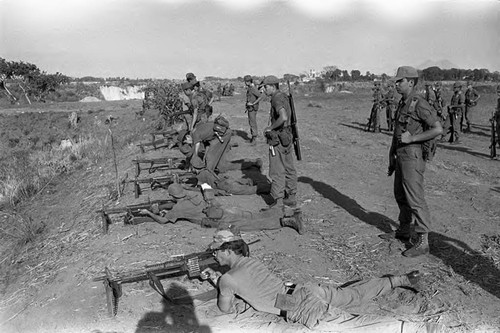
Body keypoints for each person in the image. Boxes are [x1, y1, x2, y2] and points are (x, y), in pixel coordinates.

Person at [200, 230, 446, 332]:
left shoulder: (227, 279)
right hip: (303, 289)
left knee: (353, 326)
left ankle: (415, 328)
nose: (213, 255)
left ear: (228, 251)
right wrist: (220, 279)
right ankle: (402, 278)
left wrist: (218, 282)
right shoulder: (251, 262)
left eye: (215, 251)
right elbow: (254, 285)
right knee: (351, 296)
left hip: (296, 305)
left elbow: (225, 309)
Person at [383, 66, 443, 258]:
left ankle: (423, 241)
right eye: (397, 81)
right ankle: (403, 230)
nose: (397, 84)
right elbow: (397, 132)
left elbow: (437, 129)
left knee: (414, 198)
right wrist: (392, 155)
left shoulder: (419, 103)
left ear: (411, 81)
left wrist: (413, 139)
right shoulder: (403, 103)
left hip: (412, 155)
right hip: (401, 155)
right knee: (400, 194)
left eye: (400, 81)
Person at [136, 184, 303, 234]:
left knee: (253, 225)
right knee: (254, 215)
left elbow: (164, 221)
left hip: (218, 220)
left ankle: (286, 221)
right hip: (224, 210)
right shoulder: (191, 193)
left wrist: (149, 213)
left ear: (173, 197)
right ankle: (288, 210)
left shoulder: (179, 208)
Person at [261, 75, 298, 208]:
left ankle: (277, 200)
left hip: (278, 138)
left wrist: (270, 127)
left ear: (272, 86)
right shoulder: (283, 96)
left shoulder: (276, 98)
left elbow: (283, 117)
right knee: (289, 167)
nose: (264, 90)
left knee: (276, 169)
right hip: (287, 136)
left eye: (265, 87)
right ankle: (291, 196)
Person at [178, 119, 262, 173]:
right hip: (221, 136)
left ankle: (207, 177)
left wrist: (192, 164)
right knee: (222, 167)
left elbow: (195, 153)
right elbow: (207, 145)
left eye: (186, 142)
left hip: (223, 136)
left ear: (187, 137)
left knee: (210, 159)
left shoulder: (195, 135)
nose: (188, 144)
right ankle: (252, 163)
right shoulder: (196, 130)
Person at [244, 75, 264, 144]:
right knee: (251, 122)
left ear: (249, 81)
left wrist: (253, 103)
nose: (245, 83)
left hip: (252, 108)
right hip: (250, 108)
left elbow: (260, 96)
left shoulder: (253, 88)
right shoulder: (250, 88)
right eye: (245, 81)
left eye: (246, 81)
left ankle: (254, 138)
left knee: (252, 122)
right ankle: (253, 138)